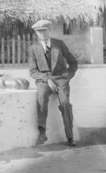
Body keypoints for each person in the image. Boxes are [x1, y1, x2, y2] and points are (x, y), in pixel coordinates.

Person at [29, 19, 78, 147]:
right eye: (39, 32)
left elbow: (73, 62)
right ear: (36, 33)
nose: (42, 34)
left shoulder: (59, 44)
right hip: (44, 80)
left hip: (61, 78)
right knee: (42, 96)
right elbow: (33, 71)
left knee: (65, 103)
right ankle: (42, 132)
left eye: (44, 30)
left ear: (49, 30)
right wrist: (48, 79)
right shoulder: (33, 48)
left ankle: (70, 136)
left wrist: (67, 76)